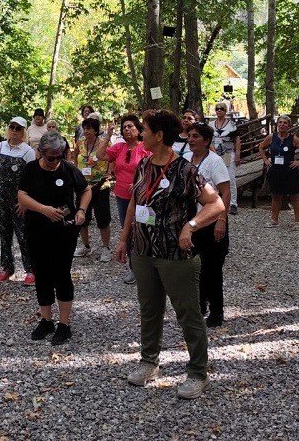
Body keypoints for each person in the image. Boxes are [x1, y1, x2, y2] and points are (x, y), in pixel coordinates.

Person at [114, 109, 225, 400]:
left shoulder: (186, 171)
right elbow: (133, 205)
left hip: (175, 255)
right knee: (149, 310)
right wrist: (125, 239)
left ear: (159, 135)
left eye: (145, 131)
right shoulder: (143, 165)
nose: (140, 135)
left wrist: (191, 225)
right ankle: (149, 362)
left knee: (188, 314)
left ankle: (198, 373)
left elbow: (216, 205)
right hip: (143, 252)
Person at [18, 133, 91, 346]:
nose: (55, 161)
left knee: (61, 273)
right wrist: (44, 210)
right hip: (37, 229)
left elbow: (85, 190)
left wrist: (81, 210)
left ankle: (64, 323)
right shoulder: (31, 169)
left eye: (59, 156)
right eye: (51, 157)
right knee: (41, 273)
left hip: (64, 231)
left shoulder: (68, 169)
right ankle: (46, 319)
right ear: (41, 153)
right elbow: (22, 195)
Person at [183, 121, 232, 326]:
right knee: (194, 267)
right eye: (190, 136)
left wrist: (222, 220)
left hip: (212, 221)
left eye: (196, 137)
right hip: (192, 222)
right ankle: (199, 305)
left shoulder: (215, 161)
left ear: (206, 140)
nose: (191, 140)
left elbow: (225, 191)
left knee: (212, 268)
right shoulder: (185, 159)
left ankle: (216, 311)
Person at [99, 113, 150, 284]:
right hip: (122, 196)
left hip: (143, 197)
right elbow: (100, 155)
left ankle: (148, 264)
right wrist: (107, 136)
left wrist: (140, 184)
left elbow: (153, 170)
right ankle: (133, 267)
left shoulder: (145, 148)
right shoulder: (119, 148)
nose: (127, 129)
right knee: (127, 231)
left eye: (130, 126)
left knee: (145, 228)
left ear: (138, 130)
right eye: (124, 127)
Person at [0, 117, 36, 284]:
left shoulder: (28, 151)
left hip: (18, 199)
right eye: (12, 127)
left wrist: (26, 201)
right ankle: (7, 268)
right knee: (4, 233)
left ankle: (31, 270)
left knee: (23, 234)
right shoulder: (0, 146)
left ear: (23, 131)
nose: (14, 131)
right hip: (0, 195)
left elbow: (32, 179)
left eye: (18, 128)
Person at [73, 117, 112, 261]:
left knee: (103, 218)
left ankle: (106, 248)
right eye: (84, 128)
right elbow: (75, 155)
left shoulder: (103, 143)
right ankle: (86, 246)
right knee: (82, 216)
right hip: (83, 185)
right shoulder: (80, 142)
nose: (86, 131)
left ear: (96, 130)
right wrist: (77, 170)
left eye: (89, 128)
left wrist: (110, 171)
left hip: (100, 184)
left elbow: (111, 157)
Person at [259, 115, 299, 227]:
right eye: (280, 122)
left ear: (289, 126)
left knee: (294, 196)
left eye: (285, 123)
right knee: (276, 196)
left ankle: (298, 222)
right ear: (277, 124)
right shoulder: (271, 137)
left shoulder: (293, 139)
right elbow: (261, 147)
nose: (282, 125)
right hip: (275, 170)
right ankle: (274, 220)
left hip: (289, 170)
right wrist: (265, 159)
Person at [212, 102, 241, 216]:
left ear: (225, 111)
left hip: (227, 153)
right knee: (214, 178)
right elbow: (208, 139)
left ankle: (233, 203)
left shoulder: (232, 124)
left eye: (222, 109)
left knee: (230, 178)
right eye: (217, 108)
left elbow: (237, 139)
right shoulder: (210, 124)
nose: (219, 111)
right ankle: (214, 201)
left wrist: (237, 154)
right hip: (214, 153)